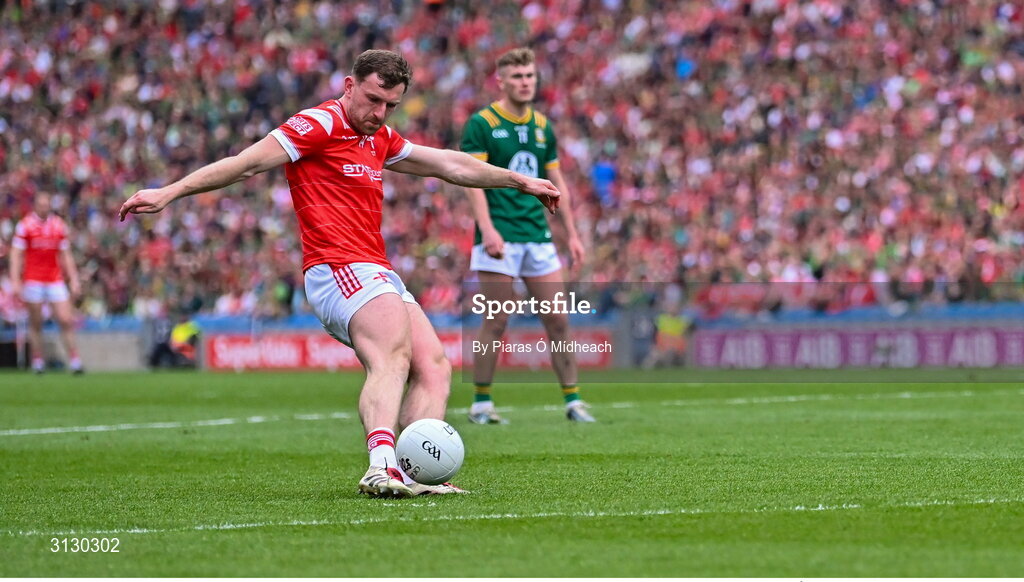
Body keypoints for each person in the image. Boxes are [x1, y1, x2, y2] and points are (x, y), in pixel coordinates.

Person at [119, 50, 561, 498]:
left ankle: (414, 471)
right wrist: (170, 191)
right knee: (392, 356)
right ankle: (381, 466)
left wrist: (520, 180)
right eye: (372, 100)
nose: (379, 113)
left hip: (375, 266)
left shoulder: (380, 136)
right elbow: (246, 163)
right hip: (335, 267)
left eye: (390, 105)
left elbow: (450, 164)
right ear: (349, 86)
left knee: (434, 366)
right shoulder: (317, 124)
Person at [460, 47, 594, 424]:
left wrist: (572, 233)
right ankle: (481, 404)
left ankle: (573, 401)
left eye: (530, 76)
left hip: (537, 236)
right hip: (499, 236)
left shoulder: (542, 126)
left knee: (558, 319)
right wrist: (486, 229)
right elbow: (471, 181)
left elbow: (556, 180)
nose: (525, 82)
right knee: (497, 320)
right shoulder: (482, 124)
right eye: (517, 76)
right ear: (501, 81)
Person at [9, 192, 84, 375]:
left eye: (46, 204)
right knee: (36, 322)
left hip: (54, 279)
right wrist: (15, 280)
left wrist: (73, 279)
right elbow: (16, 254)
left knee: (65, 319)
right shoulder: (25, 225)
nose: (44, 207)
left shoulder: (58, 225)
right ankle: (38, 360)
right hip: (33, 279)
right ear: (35, 205)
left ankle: (74, 360)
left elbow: (65, 255)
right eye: (41, 204)